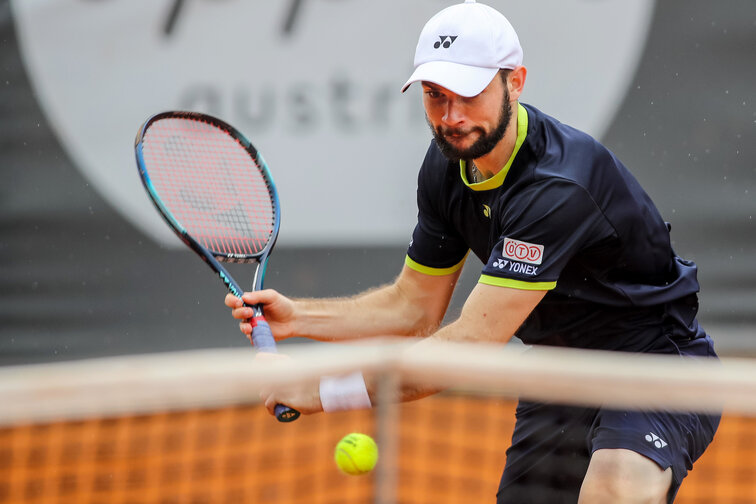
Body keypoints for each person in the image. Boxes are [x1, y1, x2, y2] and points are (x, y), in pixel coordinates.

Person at [226, 1, 719, 502]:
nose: (452, 116)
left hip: (655, 363)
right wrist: (298, 317)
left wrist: (322, 391)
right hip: (561, 372)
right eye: (435, 96)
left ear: (516, 81)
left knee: (616, 488)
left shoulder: (558, 186)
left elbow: (472, 344)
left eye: (469, 94)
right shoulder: (446, 166)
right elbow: (413, 308)